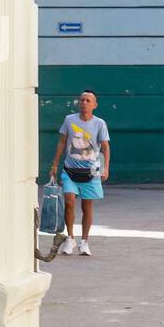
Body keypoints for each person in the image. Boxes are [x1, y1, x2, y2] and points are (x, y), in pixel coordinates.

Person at [49, 90, 110, 255]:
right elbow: (62, 142)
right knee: (69, 201)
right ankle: (70, 239)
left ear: (94, 105)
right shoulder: (69, 120)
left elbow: (105, 147)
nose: (84, 103)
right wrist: (55, 164)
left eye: (88, 100)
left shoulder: (100, 123)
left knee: (86, 206)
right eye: (82, 100)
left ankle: (84, 242)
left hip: (91, 172)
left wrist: (105, 168)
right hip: (70, 170)